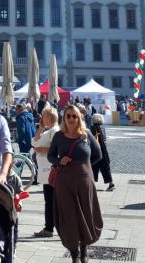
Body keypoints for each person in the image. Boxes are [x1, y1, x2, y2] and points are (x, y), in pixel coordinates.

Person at [48, 105, 103, 263]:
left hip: (84, 183)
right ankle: (74, 254)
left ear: (79, 118)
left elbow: (98, 155)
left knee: (86, 215)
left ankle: (84, 250)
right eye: (68, 116)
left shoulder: (86, 135)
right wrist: (60, 160)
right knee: (69, 217)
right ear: (64, 118)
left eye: (74, 116)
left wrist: (84, 167)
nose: (71, 119)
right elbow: (51, 156)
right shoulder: (59, 136)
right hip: (64, 183)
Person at [31, 105, 60, 238]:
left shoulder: (54, 131)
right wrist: (41, 128)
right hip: (46, 171)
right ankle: (50, 227)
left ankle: (49, 228)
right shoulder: (49, 131)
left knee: (50, 201)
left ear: (49, 117)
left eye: (44, 115)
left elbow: (58, 151)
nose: (42, 118)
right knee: (50, 200)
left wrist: (44, 150)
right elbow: (34, 142)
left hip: (50, 171)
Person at [90, 113, 115, 191]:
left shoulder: (93, 128)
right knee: (105, 168)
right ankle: (111, 183)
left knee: (93, 168)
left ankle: (92, 185)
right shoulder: (102, 128)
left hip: (95, 152)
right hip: (104, 151)